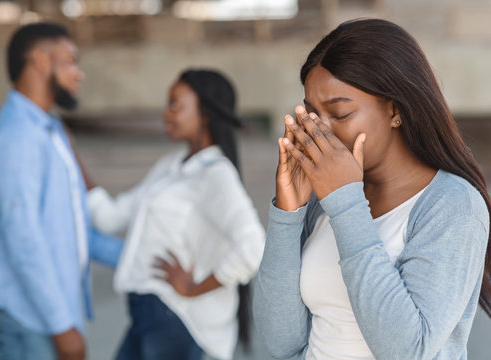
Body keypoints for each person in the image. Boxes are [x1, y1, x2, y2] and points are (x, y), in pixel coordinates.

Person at [253, 19, 491, 360]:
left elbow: (408, 350)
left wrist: (346, 203)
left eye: (339, 113)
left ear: (394, 109)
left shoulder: (453, 205)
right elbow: (280, 342)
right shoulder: (324, 201)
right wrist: (287, 214)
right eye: (311, 114)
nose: (320, 131)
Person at [0, 22, 123, 360]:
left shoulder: (49, 130)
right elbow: (24, 238)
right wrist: (62, 326)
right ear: (40, 60)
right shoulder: (18, 134)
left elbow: (74, 231)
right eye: (71, 61)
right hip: (24, 314)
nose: (78, 74)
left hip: (45, 312)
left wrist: (139, 257)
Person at [80, 69, 265, 360]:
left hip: (175, 319)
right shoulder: (172, 165)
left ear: (204, 112)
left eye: (175, 105)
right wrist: (71, 155)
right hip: (147, 315)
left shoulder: (215, 174)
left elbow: (253, 248)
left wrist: (193, 288)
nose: (166, 114)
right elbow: (110, 217)